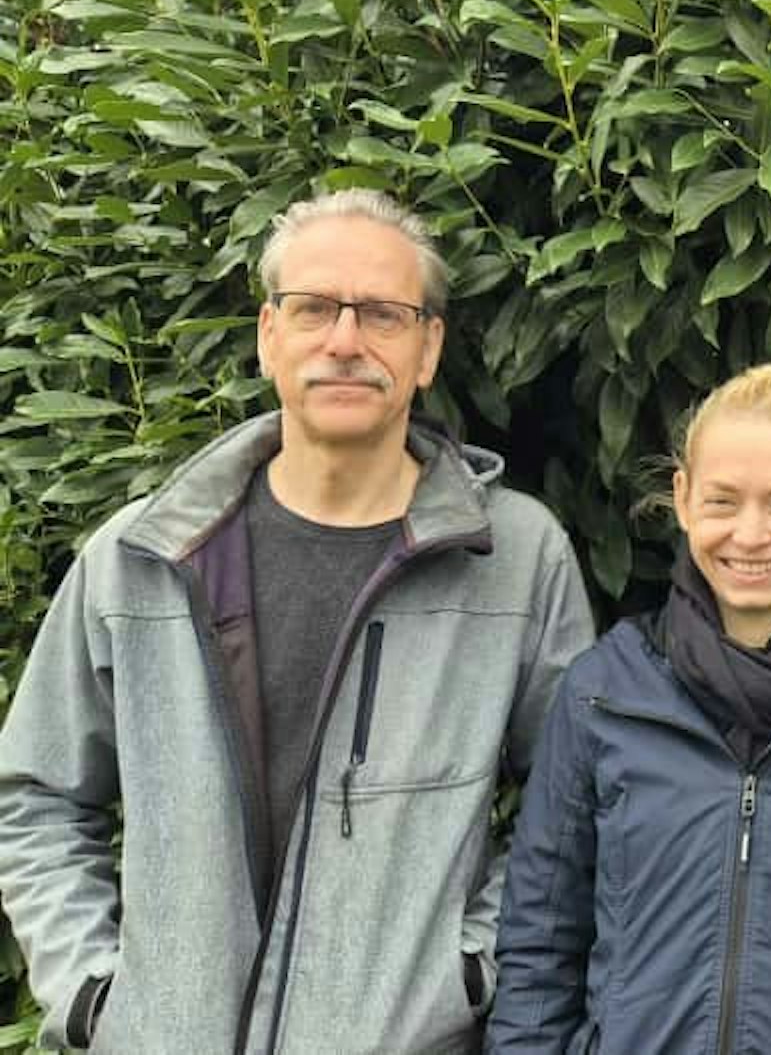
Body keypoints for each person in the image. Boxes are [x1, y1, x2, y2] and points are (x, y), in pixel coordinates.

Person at [0, 189, 595, 1053]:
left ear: (428, 348)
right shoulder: (142, 558)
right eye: (314, 307)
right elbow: (35, 795)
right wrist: (93, 993)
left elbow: (573, 808)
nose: (345, 341)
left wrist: (467, 975)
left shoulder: (516, 558)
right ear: (268, 334)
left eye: (383, 314)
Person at [487, 364, 771, 1054]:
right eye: (723, 501)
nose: (750, 535)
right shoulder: (604, 695)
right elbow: (540, 945)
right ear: (684, 498)